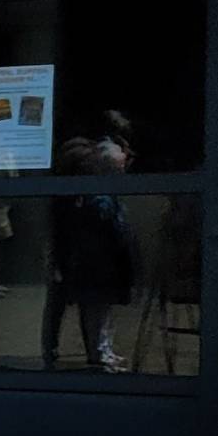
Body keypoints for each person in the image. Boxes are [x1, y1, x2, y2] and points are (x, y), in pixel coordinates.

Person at [41, 128, 138, 373]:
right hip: (90, 259)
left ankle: (71, 351)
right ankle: (97, 353)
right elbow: (110, 223)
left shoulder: (73, 196)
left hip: (83, 257)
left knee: (78, 305)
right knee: (93, 306)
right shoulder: (94, 196)